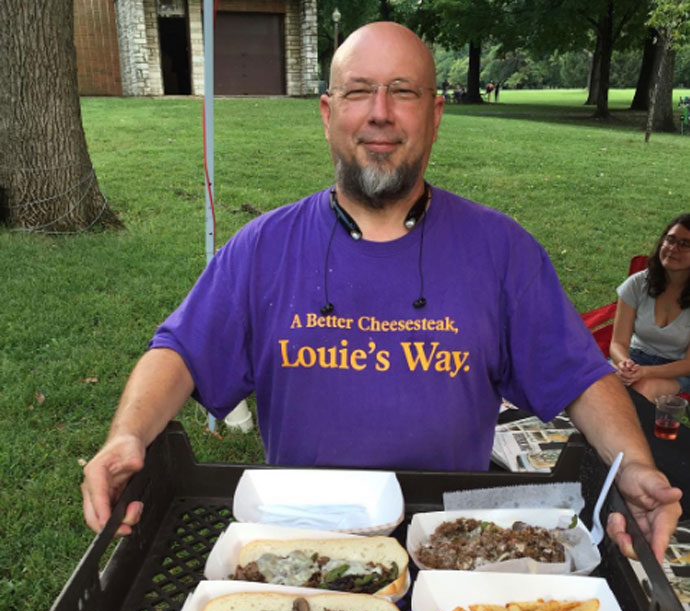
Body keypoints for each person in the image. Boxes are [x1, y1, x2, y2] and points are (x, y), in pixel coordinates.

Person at [82, 22, 681, 564]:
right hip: (300, 539)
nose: (380, 112)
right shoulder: (263, 246)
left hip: (451, 543)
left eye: (403, 91)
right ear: (326, 112)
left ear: (435, 114)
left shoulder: (501, 250)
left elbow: (580, 374)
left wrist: (637, 469)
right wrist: (127, 437)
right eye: (359, 91)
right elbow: (180, 351)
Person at [610, 214, 690, 402]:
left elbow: (688, 364)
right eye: (670, 240)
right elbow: (618, 343)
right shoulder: (638, 284)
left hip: (675, 369)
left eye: (685, 244)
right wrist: (624, 363)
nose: (673, 248)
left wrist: (644, 373)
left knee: (642, 390)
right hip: (634, 358)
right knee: (598, 384)